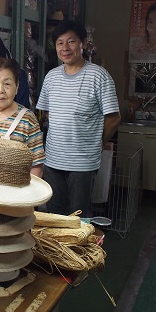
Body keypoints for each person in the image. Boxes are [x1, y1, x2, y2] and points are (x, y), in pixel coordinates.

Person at [36, 20, 120, 217]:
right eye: (59, 43)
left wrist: (97, 143)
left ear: (82, 43)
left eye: (71, 42)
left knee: (79, 216)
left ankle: (79, 249)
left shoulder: (99, 76)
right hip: (53, 160)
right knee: (54, 215)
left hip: (82, 163)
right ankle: (58, 249)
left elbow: (114, 118)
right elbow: (46, 112)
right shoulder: (51, 77)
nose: (65, 48)